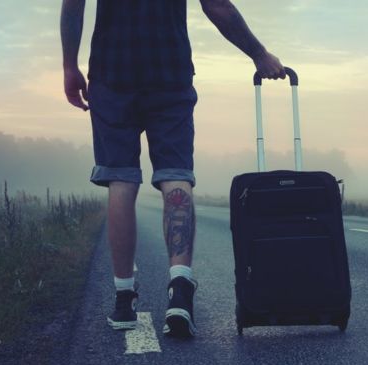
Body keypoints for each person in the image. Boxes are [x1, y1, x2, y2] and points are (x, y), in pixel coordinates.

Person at [61, 0, 285, 338]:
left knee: (120, 180)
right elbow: (218, 7)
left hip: (111, 73)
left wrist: (69, 66)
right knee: (176, 175)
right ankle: (180, 289)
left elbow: (73, 7)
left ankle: (124, 300)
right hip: (169, 73)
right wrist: (258, 53)